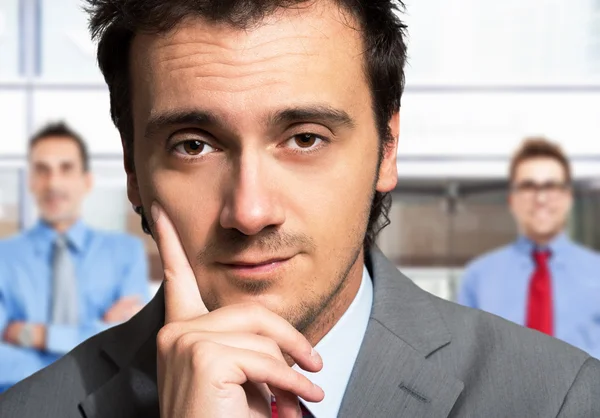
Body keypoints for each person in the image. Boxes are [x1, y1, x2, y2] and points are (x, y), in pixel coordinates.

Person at [1, 1, 599, 417]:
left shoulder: (561, 400)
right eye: (193, 145)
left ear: (387, 148)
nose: (251, 210)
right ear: (133, 169)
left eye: (305, 137)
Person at [0, 122, 149, 392]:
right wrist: (100, 331)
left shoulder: (126, 253)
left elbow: (133, 346)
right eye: (42, 171)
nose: (53, 183)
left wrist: (36, 335)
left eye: (66, 169)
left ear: (86, 181)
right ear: (31, 182)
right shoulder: (4, 258)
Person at [458, 138, 600, 358]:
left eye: (551, 186)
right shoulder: (478, 278)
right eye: (528, 186)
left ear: (568, 197)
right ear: (512, 199)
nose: (541, 198)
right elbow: (463, 361)